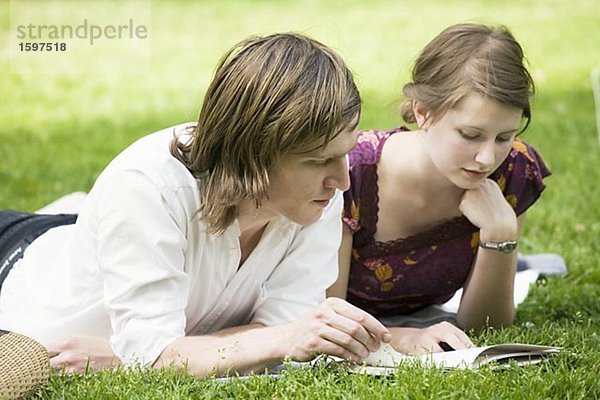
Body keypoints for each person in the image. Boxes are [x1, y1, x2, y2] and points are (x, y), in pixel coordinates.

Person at [0, 32, 392, 377]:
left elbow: (278, 334)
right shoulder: (147, 186)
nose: (342, 180)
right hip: (18, 260)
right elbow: (158, 357)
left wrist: (154, 353)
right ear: (252, 153)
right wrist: (157, 355)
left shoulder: (319, 196)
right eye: (316, 160)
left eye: (344, 154)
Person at [327, 23, 551, 355]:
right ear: (422, 111)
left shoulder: (513, 169)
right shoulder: (352, 176)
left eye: (504, 137)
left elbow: (486, 327)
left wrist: (500, 233)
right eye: (470, 135)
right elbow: (325, 317)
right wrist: (402, 337)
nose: (487, 157)